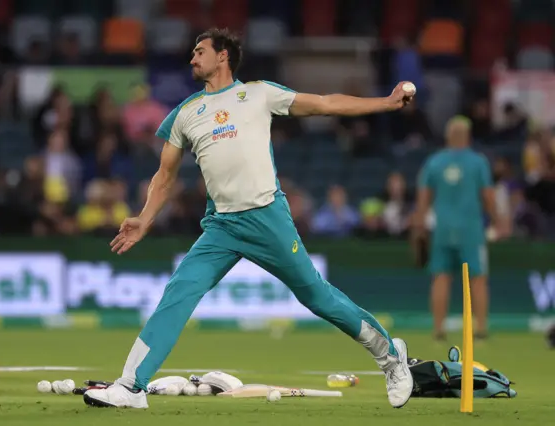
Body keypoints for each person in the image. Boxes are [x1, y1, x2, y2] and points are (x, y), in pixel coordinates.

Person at [84, 28, 416, 410]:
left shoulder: (258, 93)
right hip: (221, 226)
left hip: (267, 218)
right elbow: (165, 176)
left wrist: (386, 103)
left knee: (318, 298)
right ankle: (131, 387)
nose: (192, 58)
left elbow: (324, 103)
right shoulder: (185, 113)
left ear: (222, 56)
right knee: (179, 292)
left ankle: (391, 358)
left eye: (200, 51)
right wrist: (144, 218)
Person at [414, 116, 507, 341]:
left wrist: (419, 226)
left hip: (443, 229)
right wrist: (498, 221)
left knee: (441, 277)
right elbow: (488, 196)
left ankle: (438, 328)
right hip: (471, 230)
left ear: (448, 136)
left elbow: (424, 198)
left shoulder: (434, 162)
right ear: (468, 136)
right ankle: (481, 327)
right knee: (478, 278)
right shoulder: (478, 162)